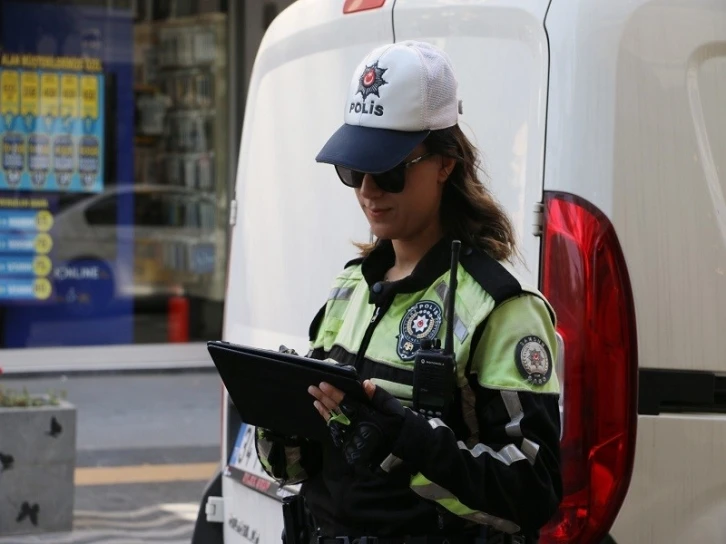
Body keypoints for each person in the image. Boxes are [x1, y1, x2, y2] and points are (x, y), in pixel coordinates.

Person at [255, 40, 562, 544]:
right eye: (354, 169)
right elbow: (299, 469)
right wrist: (277, 417)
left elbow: (532, 492)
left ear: (445, 164)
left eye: (390, 171)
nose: (368, 190)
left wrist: (403, 438)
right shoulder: (350, 287)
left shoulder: (502, 309)